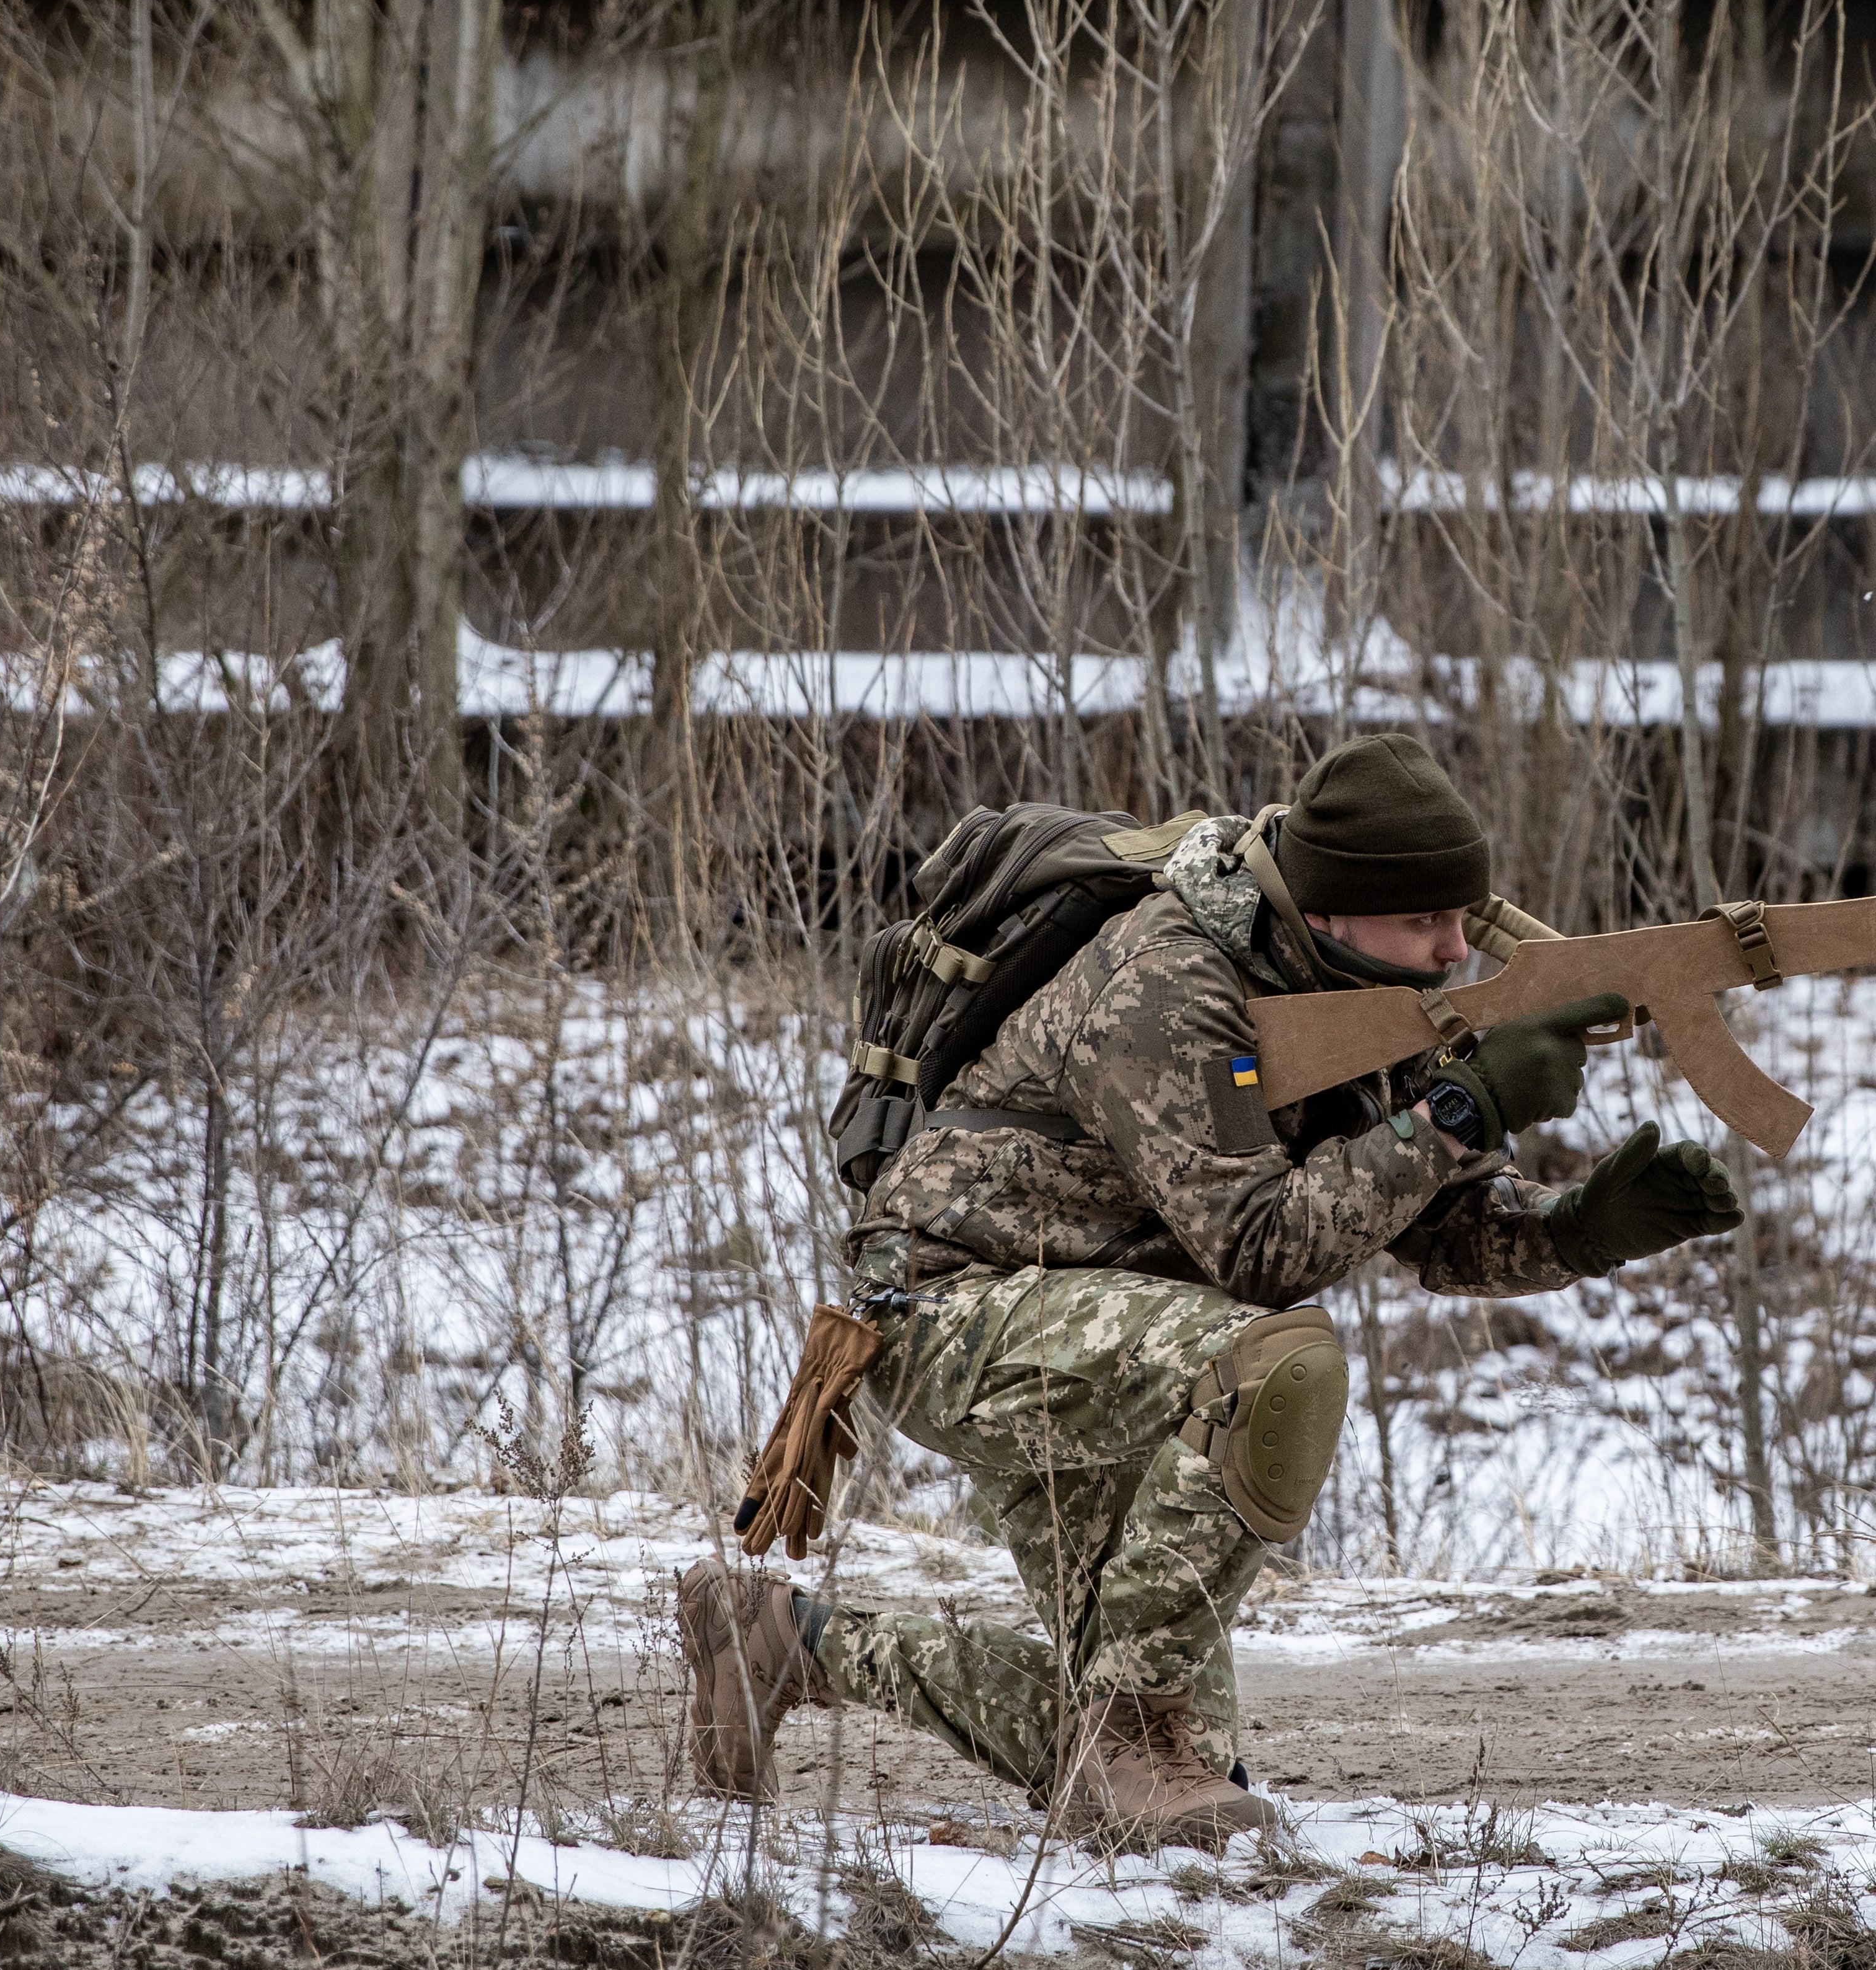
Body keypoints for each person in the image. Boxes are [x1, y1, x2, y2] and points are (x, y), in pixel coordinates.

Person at [676, 732, 1745, 1843]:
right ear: (1335, 907)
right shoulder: (1170, 980)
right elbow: (1260, 1249)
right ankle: (1128, 1721)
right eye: (1428, 917)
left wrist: (1578, 1228)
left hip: (1114, 1331)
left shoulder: (1364, 981)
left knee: (1174, 1764)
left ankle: (782, 1638)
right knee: (1281, 1363)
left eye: (1463, 915)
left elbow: (1425, 1222)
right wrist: (1461, 1109)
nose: (1453, 944)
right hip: (955, 1310)